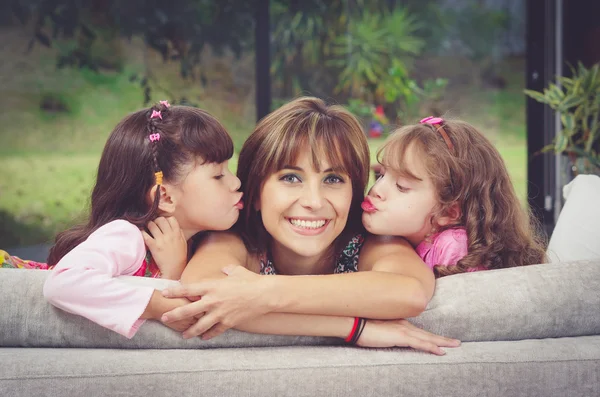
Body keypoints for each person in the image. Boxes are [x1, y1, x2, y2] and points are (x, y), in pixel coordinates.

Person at [157, 97, 460, 355]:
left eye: (333, 179)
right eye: (291, 178)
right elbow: (202, 298)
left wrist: (264, 293)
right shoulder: (239, 241)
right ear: (257, 191)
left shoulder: (368, 242)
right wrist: (353, 328)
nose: (314, 201)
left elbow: (409, 293)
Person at [41, 100, 244, 338]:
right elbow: (63, 283)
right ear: (165, 196)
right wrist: (157, 305)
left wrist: (174, 272)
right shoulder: (127, 236)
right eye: (218, 175)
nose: (236, 182)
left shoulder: (205, 246)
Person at [362, 116, 546, 277]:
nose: (377, 189)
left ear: (448, 212)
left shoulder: (454, 247)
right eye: (382, 174)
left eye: (401, 186)